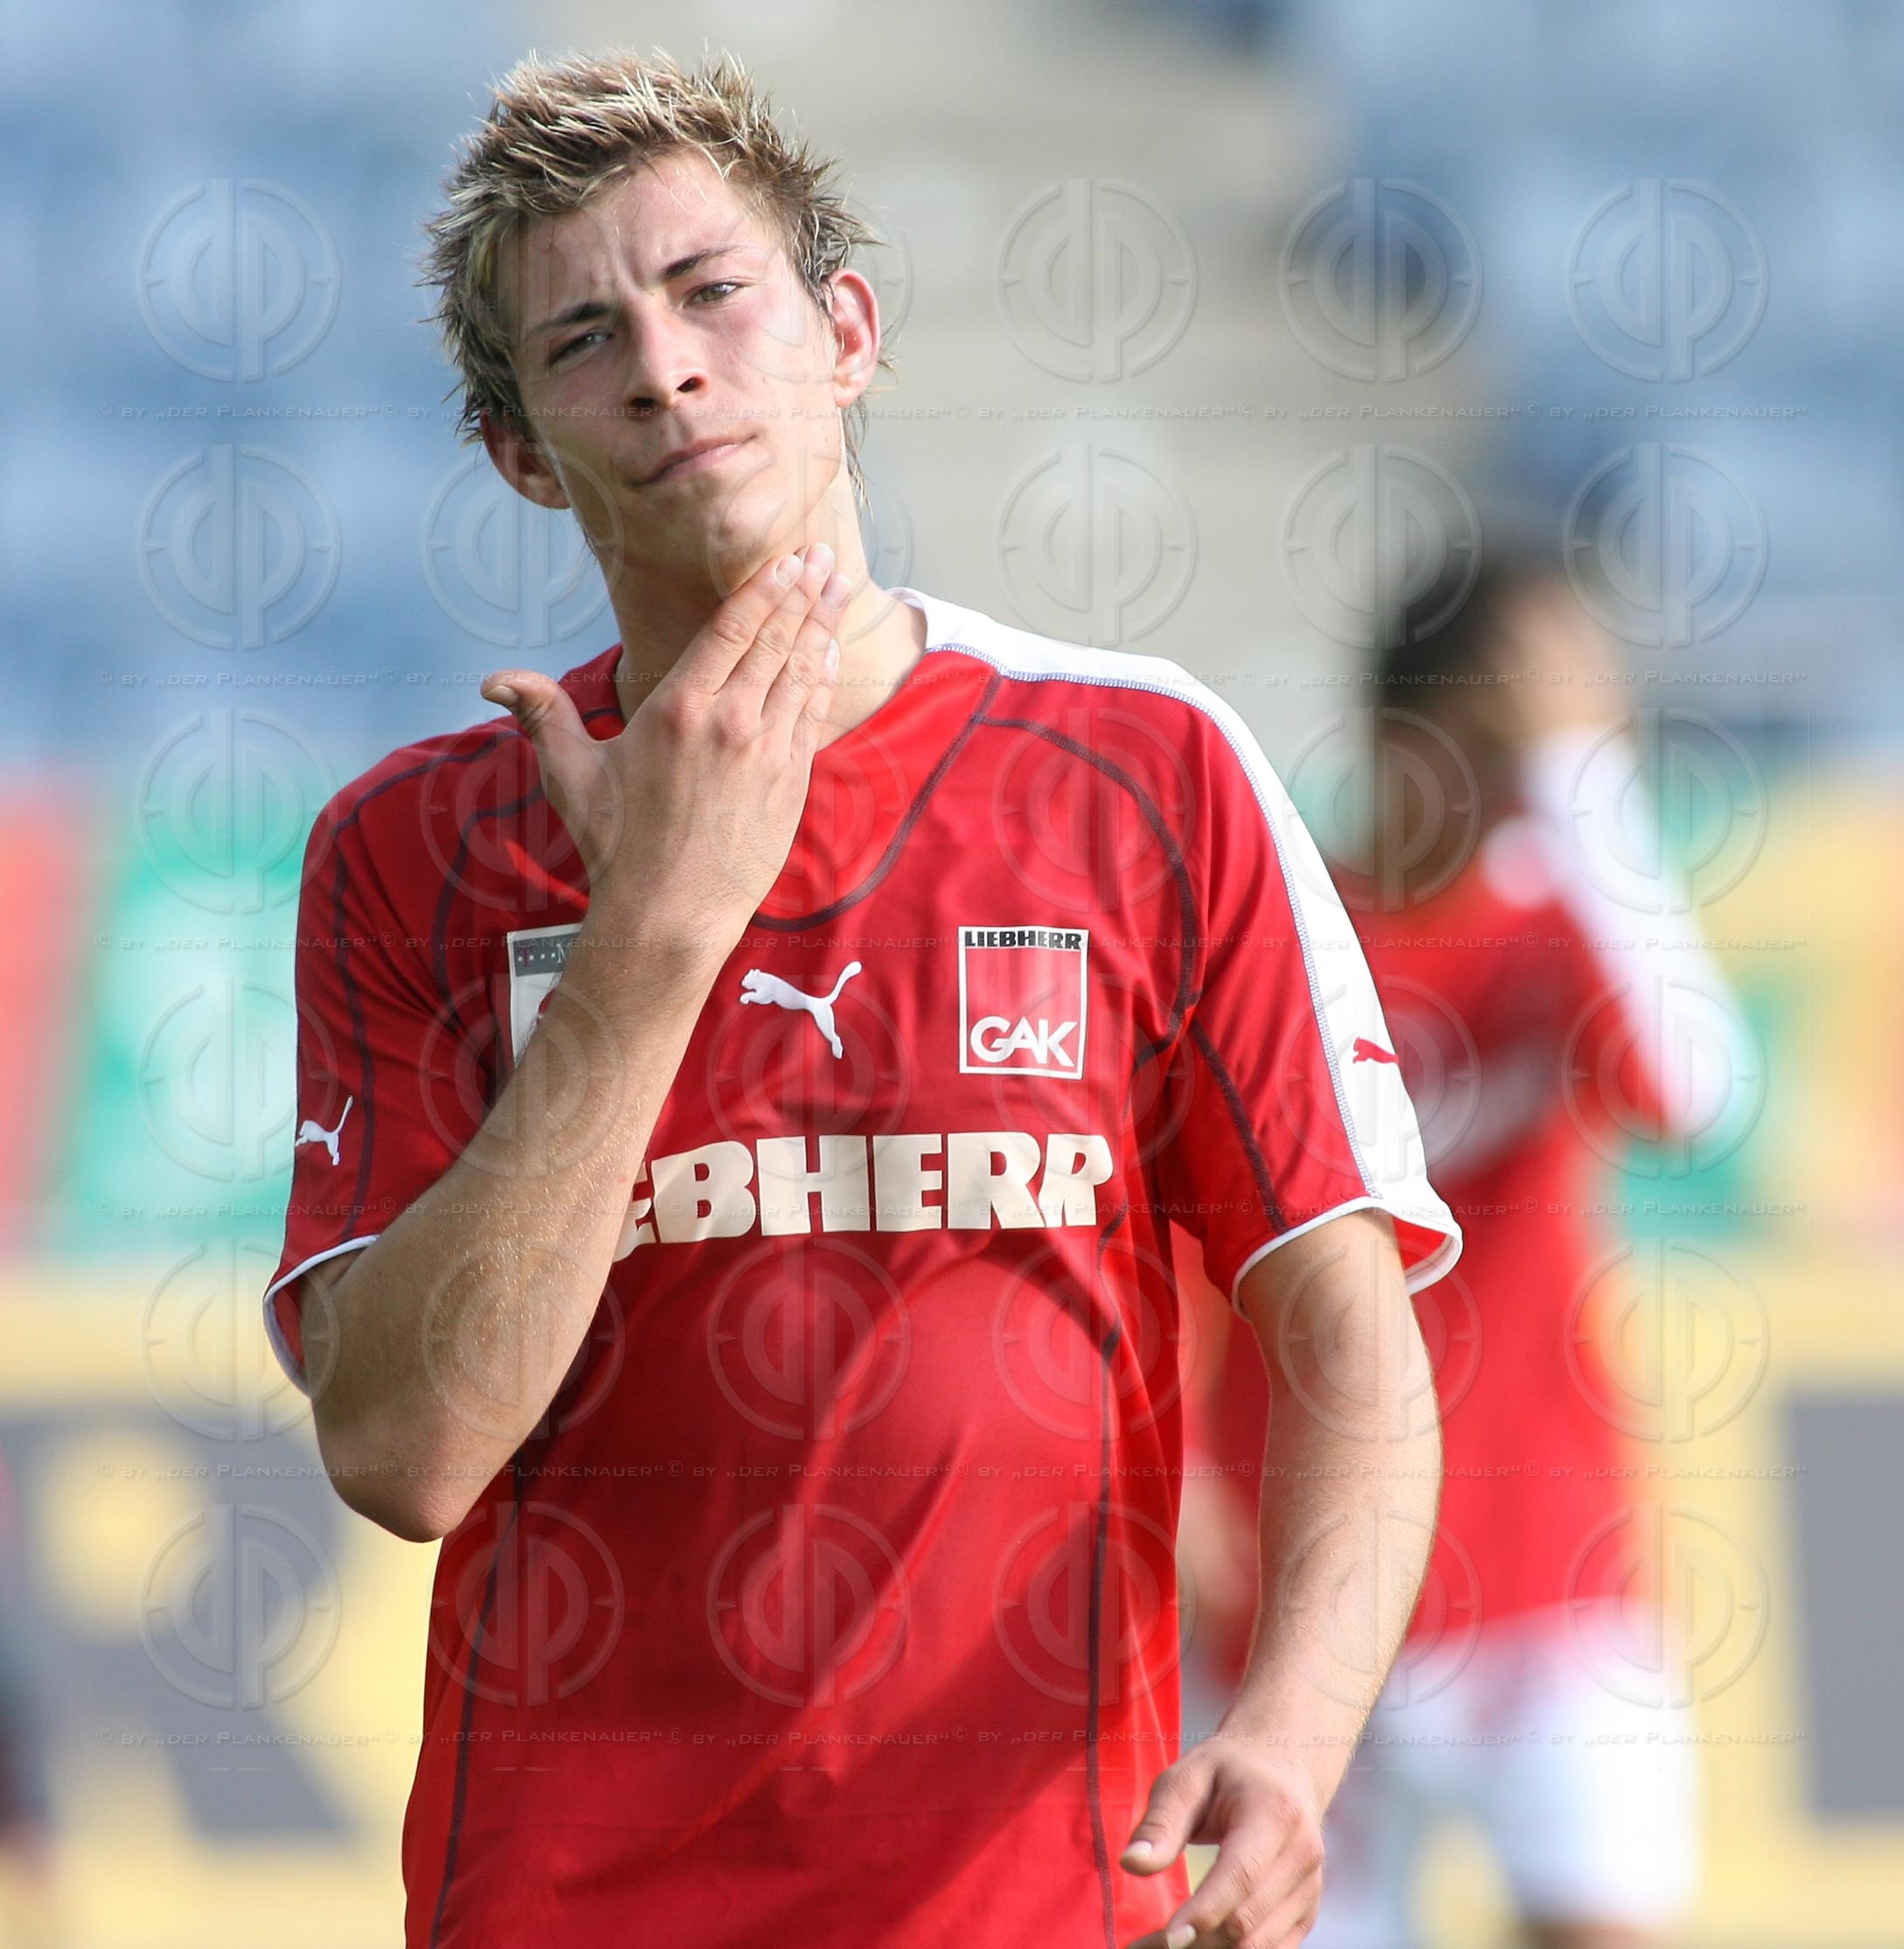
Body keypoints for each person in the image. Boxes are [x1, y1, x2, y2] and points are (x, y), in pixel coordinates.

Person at [261, 47, 1461, 1946]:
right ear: (518, 449)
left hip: (1046, 1902)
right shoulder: (408, 852)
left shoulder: (1148, 771)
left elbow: (1352, 1334)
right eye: (583, 339)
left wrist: (1297, 1740)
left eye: (713, 293)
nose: (664, 366)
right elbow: (402, 1450)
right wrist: (653, 938)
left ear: (847, 332)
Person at [1179, 546, 1746, 1949]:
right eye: (1496, 740)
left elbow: (1694, 1094)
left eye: (1556, 746)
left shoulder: (1564, 925)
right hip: (1298, 1591)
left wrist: (1581, 788)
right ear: (1394, 734)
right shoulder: (1279, 935)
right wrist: (1176, 1486)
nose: (1518, 781)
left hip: (1550, 1585)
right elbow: (1172, 1238)